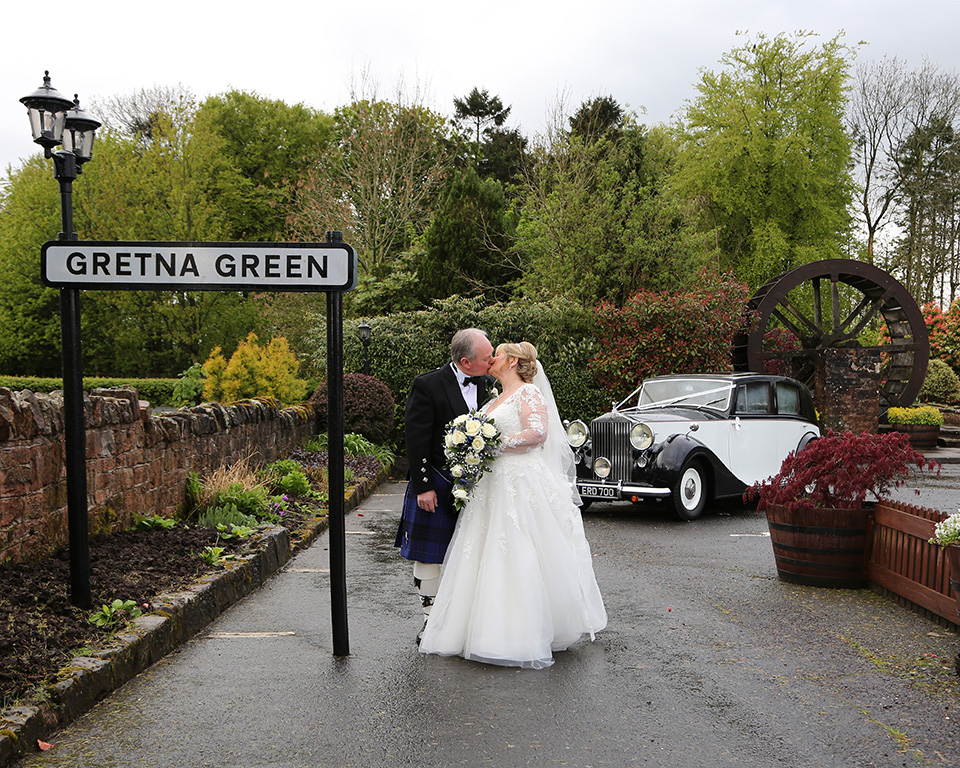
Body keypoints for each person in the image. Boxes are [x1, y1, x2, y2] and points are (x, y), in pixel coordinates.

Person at [418, 342, 607, 669]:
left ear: (513, 360)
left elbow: (538, 433)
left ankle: (520, 634)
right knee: (484, 553)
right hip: (492, 485)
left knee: (518, 549)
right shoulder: (494, 399)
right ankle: (479, 631)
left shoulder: (529, 394)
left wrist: (490, 444)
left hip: (519, 484)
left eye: (498, 354)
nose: (491, 359)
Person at [395, 328, 495, 642]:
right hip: (436, 481)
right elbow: (416, 437)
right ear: (465, 362)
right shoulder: (428, 385)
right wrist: (423, 486)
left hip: (480, 486)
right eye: (487, 357)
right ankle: (430, 620)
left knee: (475, 553)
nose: (493, 361)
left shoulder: (491, 385)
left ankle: (467, 620)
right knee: (429, 555)